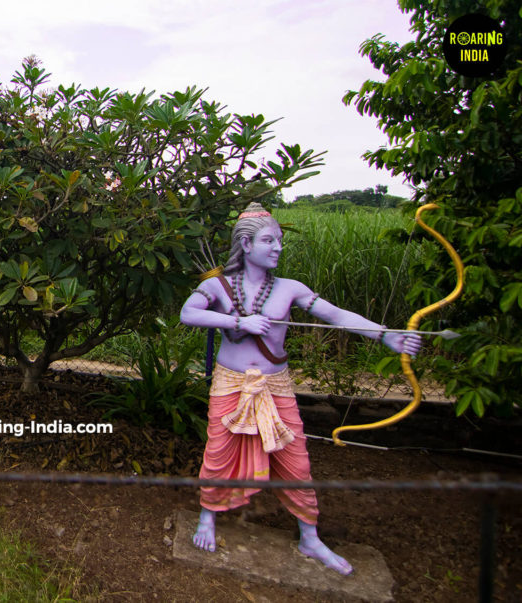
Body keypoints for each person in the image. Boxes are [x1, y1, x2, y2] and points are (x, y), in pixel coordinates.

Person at [179, 201, 422, 575]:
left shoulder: (289, 289)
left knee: (295, 460)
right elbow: (188, 313)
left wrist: (386, 336)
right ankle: (207, 518)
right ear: (245, 245)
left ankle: (309, 536)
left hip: (275, 383)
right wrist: (239, 322)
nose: (277, 247)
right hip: (231, 382)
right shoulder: (217, 286)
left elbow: (337, 316)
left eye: (279, 240)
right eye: (268, 240)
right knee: (219, 452)